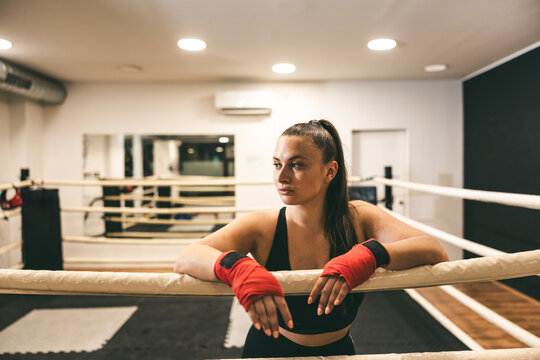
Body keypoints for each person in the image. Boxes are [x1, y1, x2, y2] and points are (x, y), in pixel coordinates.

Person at [174, 119, 449, 357]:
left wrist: (370, 254)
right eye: (276, 164)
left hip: (338, 352)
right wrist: (236, 267)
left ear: (330, 171)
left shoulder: (359, 217)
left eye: (296, 165)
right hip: (269, 352)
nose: (281, 176)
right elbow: (188, 256)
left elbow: (433, 249)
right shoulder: (264, 225)